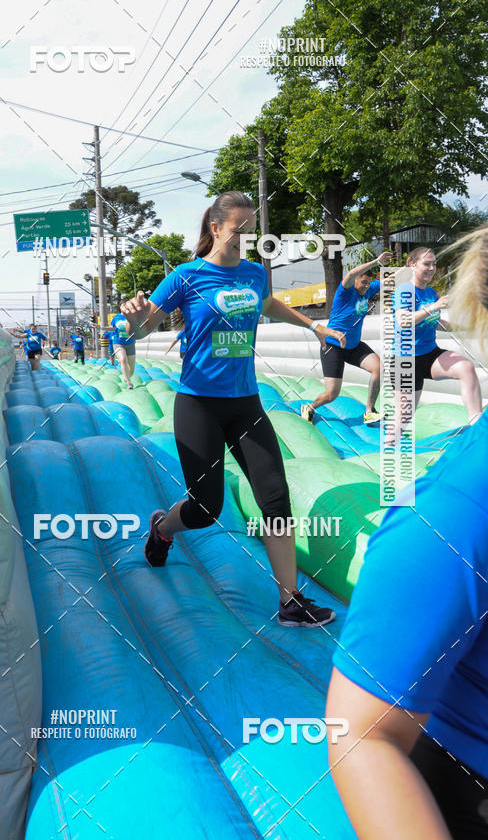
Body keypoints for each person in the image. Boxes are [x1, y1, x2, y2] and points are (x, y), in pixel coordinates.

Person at [326, 228, 488, 838]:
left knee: (464, 368)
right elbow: (363, 736)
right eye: (420, 263)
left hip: (421, 355)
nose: (424, 268)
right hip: (388, 352)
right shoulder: (396, 295)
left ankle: (466, 418)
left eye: (427, 263)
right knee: (387, 413)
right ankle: (364, 430)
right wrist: (424, 303)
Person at [121, 191, 347, 627]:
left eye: (250, 231)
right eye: (238, 230)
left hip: (246, 404)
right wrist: (133, 317)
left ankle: (290, 601)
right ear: (215, 228)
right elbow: (147, 324)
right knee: (206, 509)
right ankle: (163, 529)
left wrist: (314, 324)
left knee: (276, 500)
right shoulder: (186, 276)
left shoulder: (254, 274)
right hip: (198, 406)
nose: (244, 238)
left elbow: (268, 304)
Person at [389, 246, 482, 441]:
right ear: (412, 265)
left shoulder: (430, 292)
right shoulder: (404, 291)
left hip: (429, 355)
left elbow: (434, 321)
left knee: (466, 367)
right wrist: (435, 307)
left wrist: (463, 327)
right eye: (426, 264)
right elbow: (403, 321)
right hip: (405, 361)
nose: (432, 268)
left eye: (434, 264)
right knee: (402, 419)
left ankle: (477, 426)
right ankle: (389, 448)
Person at [301, 252, 392, 425]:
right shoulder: (345, 292)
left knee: (379, 368)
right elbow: (350, 274)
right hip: (333, 346)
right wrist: (376, 261)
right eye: (363, 282)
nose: (366, 286)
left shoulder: (369, 290)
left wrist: (411, 269)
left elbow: (389, 280)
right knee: (332, 394)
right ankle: (310, 408)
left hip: (354, 346)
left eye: (368, 283)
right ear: (356, 280)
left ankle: (369, 411)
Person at [111, 302, 136, 389]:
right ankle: (129, 383)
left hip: (130, 343)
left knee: (132, 369)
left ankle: (128, 376)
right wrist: (100, 327)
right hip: (118, 342)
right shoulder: (116, 317)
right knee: (123, 359)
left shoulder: (133, 315)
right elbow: (112, 328)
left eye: (126, 304)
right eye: (123, 305)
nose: (125, 306)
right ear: (120, 307)